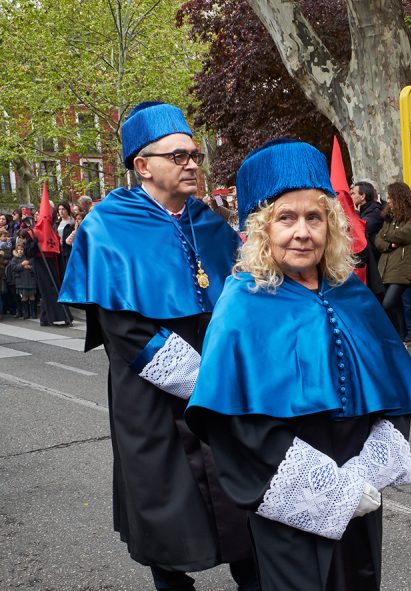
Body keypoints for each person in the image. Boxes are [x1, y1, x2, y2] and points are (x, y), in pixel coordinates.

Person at [183, 139, 411, 590]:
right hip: (291, 500)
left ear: (330, 226)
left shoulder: (351, 294)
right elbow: (236, 426)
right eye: (286, 218)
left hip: (361, 490)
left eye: (314, 217)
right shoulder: (242, 303)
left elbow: (395, 394)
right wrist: (329, 490)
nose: (303, 232)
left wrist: (361, 476)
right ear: (261, 229)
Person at [59, 101, 257, 590]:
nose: (192, 163)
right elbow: (122, 328)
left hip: (219, 390)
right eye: (179, 155)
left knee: (243, 509)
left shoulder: (209, 222)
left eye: (194, 154)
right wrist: (205, 380)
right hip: (149, 392)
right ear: (143, 165)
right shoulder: (107, 224)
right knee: (166, 510)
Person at [374, 182, 411, 338]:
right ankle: (400, 335)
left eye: (391, 198)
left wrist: (386, 237)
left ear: (400, 198)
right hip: (388, 265)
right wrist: (389, 243)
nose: (389, 201)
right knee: (392, 304)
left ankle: (405, 333)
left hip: (403, 266)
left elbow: (403, 235)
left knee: (389, 303)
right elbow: (377, 241)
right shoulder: (390, 218)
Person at [7, 244, 36, 319]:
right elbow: (14, 268)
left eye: (22, 249)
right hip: (21, 281)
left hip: (30, 280)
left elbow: (35, 267)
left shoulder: (28, 258)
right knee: (24, 297)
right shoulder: (14, 259)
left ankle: (33, 313)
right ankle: (26, 313)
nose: (20, 251)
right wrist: (22, 265)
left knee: (32, 296)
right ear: (16, 250)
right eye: (19, 249)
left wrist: (29, 267)